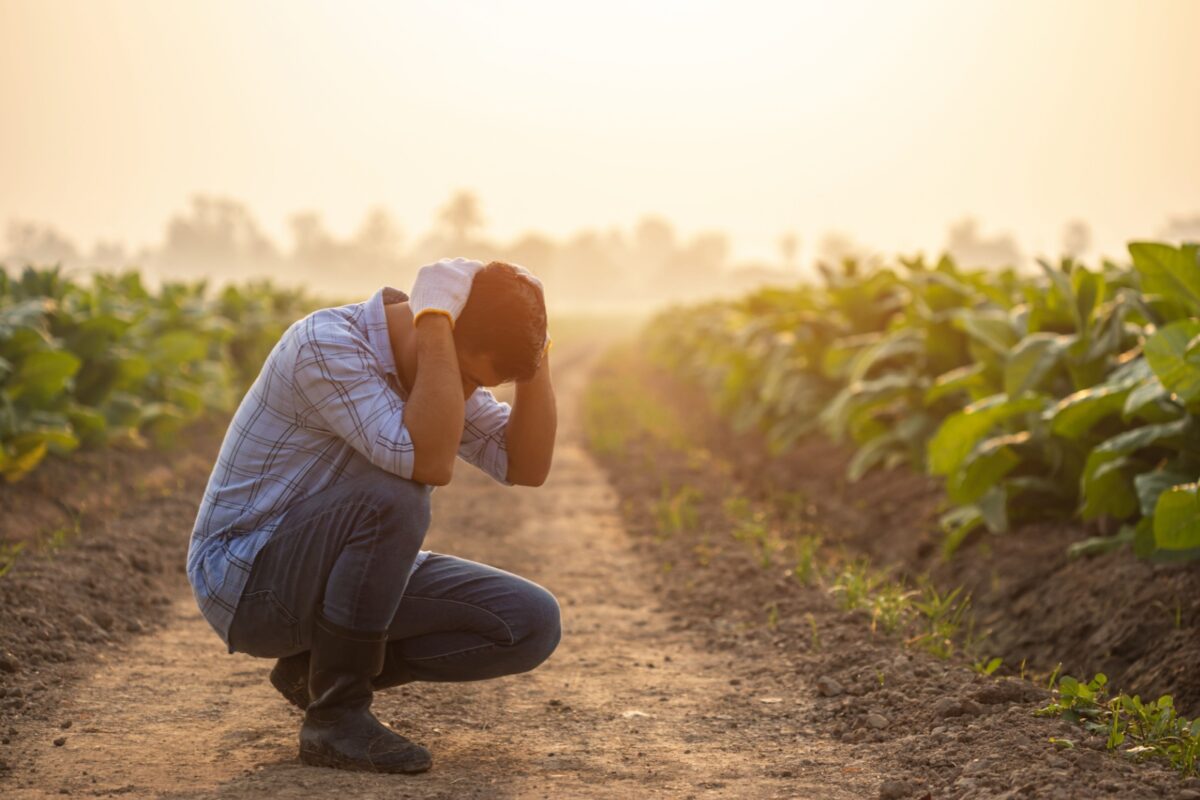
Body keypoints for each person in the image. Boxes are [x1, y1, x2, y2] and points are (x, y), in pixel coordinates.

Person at [185, 258, 561, 774]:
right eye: (470, 377)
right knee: (397, 494)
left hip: (329, 572)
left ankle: (315, 675)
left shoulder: (441, 369)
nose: (472, 392)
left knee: (530, 622)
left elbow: (526, 465)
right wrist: (434, 318)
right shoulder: (326, 344)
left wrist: (536, 352)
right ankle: (334, 718)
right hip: (247, 581)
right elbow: (427, 463)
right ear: (440, 326)